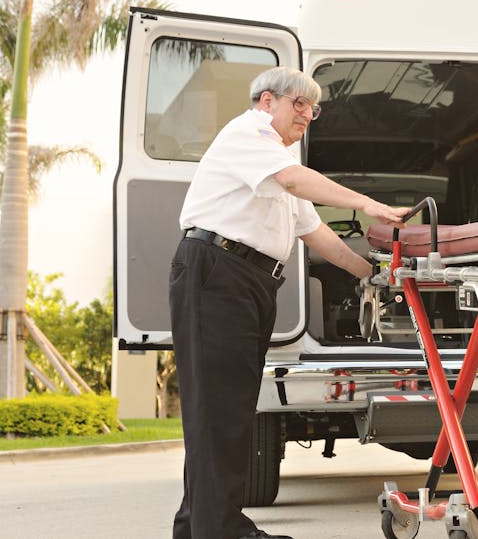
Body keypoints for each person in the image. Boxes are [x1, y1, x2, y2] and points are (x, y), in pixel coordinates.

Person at [169, 66, 408, 539]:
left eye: (312, 108)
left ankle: (198, 528)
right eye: (298, 103)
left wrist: (374, 274)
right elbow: (296, 181)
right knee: (220, 411)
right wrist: (368, 204)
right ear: (266, 101)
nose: (306, 114)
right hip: (218, 272)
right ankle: (222, 531)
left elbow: (316, 233)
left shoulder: (277, 158)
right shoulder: (247, 134)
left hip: (249, 281)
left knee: (228, 409)